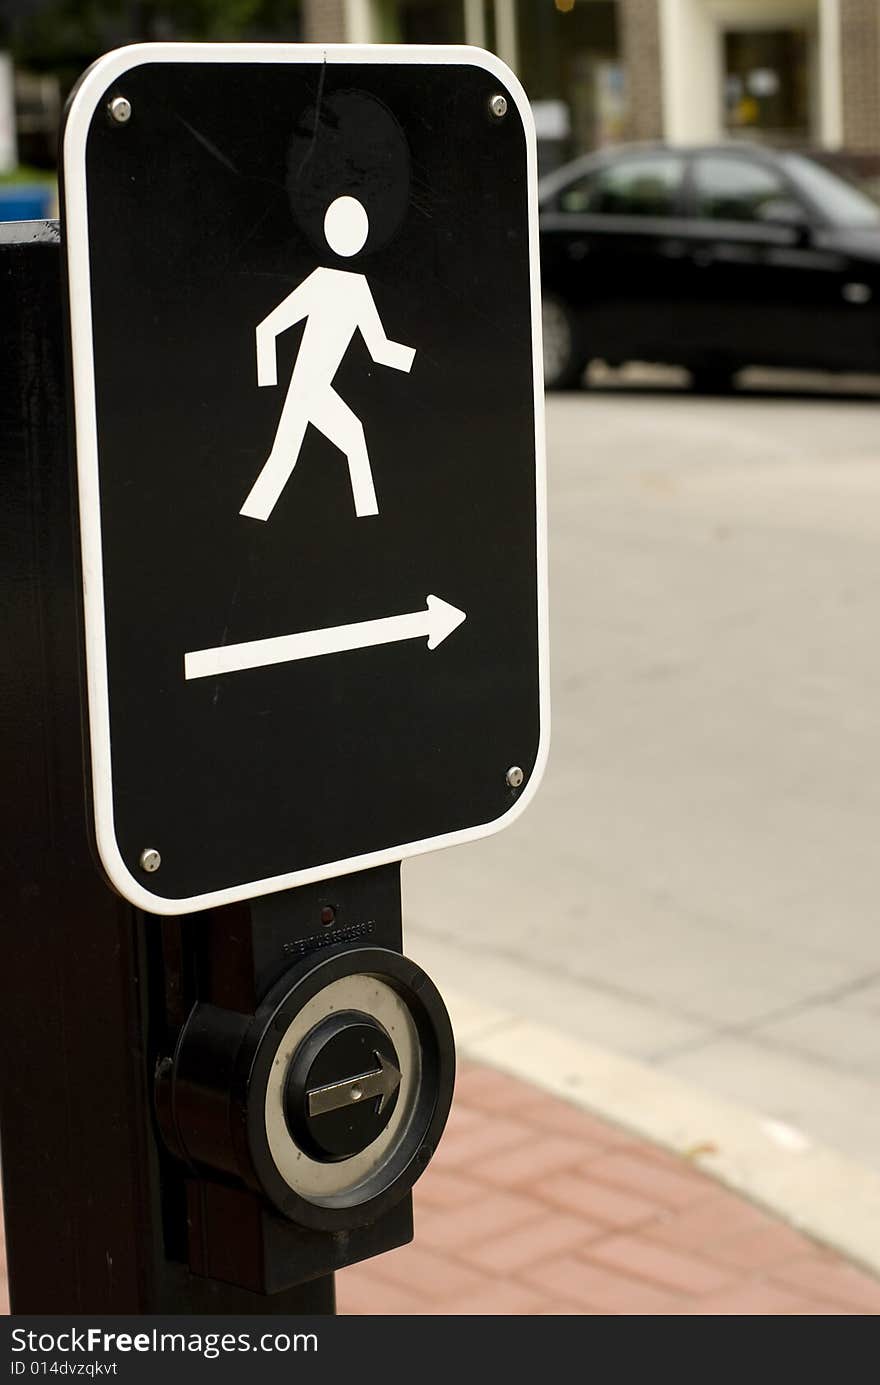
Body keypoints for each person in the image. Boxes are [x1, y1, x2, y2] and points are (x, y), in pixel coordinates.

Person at [240, 195, 416, 522]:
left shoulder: (359, 288)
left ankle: (368, 521)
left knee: (333, 443)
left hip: (318, 388)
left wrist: (419, 361)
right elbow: (268, 329)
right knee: (286, 457)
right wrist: (267, 383)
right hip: (305, 388)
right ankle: (249, 523)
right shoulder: (320, 282)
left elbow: (378, 349)